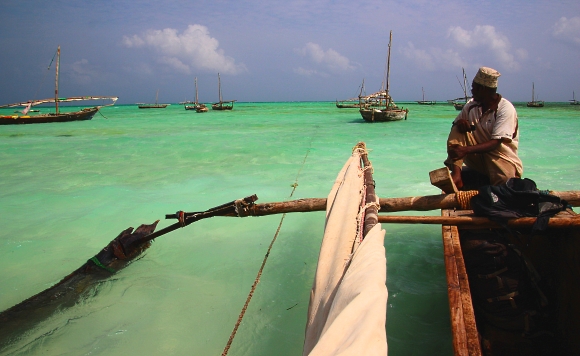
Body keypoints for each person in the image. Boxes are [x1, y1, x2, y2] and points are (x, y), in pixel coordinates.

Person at [444, 67, 523, 191]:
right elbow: (456, 129)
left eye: (474, 87)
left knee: (504, 184)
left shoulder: (505, 109)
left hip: (500, 157)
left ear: (482, 89)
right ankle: (457, 175)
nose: (472, 91)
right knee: (457, 128)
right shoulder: (471, 106)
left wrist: (465, 150)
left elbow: (495, 144)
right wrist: (461, 123)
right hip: (478, 158)